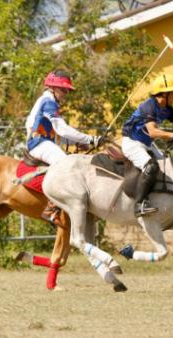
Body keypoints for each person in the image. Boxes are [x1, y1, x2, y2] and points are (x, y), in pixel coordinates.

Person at [26, 70, 102, 225]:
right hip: (38, 144)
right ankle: (50, 208)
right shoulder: (48, 102)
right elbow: (62, 129)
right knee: (65, 166)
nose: (66, 92)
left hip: (45, 142)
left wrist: (78, 143)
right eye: (63, 89)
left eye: (67, 89)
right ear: (52, 88)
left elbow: (57, 133)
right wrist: (91, 139)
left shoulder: (49, 102)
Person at [122, 73, 173, 217]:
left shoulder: (168, 108)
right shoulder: (149, 106)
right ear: (165, 93)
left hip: (147, 144)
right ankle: (139, 204)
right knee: (151, 167)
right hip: (132, 142)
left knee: (165, 165)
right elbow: (152, 132)